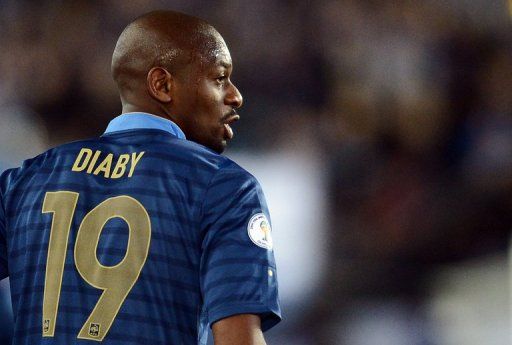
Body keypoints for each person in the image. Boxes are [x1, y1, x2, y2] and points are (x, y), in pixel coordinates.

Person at [0, 10, 281, 345]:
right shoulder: (222, 187)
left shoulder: (25, 181)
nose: (236, 95)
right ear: (162, 85)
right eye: (220, 78)